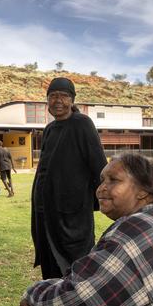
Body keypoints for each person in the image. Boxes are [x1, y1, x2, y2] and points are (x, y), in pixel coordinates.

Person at [11, 153, 153, 306]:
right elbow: (85, 281)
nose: (100, 189)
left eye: (113, 180)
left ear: (143, 190)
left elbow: (80, 303)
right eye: (102, 180)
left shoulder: (133, 232)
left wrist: (31, 296)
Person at [30, 77, 107, 279]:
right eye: (53, 96)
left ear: (72, 101)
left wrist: (101, 200)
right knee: (50, 266)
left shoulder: (82, 124)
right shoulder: (49, 129)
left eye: (63, 96)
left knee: (76, 268)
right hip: (45, 212)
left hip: (72, 215)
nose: (58, 101)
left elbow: (99, 166)